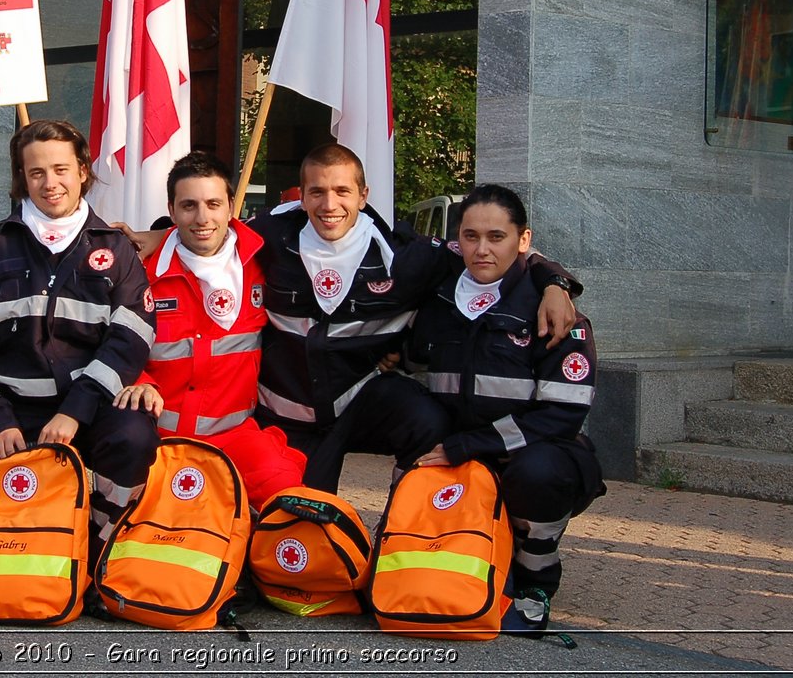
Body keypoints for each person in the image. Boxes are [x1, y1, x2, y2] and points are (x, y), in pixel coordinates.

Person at [248, 143, 580, 491]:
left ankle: (404, 521)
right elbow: (207, 242)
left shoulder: (406, 255)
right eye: (317, 192)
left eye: (342, 191)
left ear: (363, 196)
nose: (329, 205)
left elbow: (498, 253)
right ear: (302, 197)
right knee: (297, 529)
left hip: (359, 402)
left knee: (428, 419)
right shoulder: (266, 237)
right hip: (286, 414)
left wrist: (555, 283)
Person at [0, 119, 158, 556]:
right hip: (13, 413)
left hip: (91, 408)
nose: (50, 183)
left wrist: (76, 411)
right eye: (36, 172)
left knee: (135, 438)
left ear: (82, 171)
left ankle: (101, 547)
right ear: (21, 177)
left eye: (61, 169)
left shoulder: (116, 250)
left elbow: (129, 339)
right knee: (14, 525)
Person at [405, 183, 604, 636]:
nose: (482, 249)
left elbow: (563, 414)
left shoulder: (554, 312)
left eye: (497, 237)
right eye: (471, 236)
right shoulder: (440, 298)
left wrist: (553, 282)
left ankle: (535, 578)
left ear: (524, 241)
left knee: (540, 472)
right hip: (457, 449)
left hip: (527, 453)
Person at [114, 151, 307, 504]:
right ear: (171, 211)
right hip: (157, 437)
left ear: (230, 206)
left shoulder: (263, 257)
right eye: (189, 206)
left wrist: (385, 352)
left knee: (290, 504)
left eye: (213, 204)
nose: (202, 218)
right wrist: (139, 381)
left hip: (235, 437)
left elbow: (332, 225)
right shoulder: (139, 270)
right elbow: (110, 340)